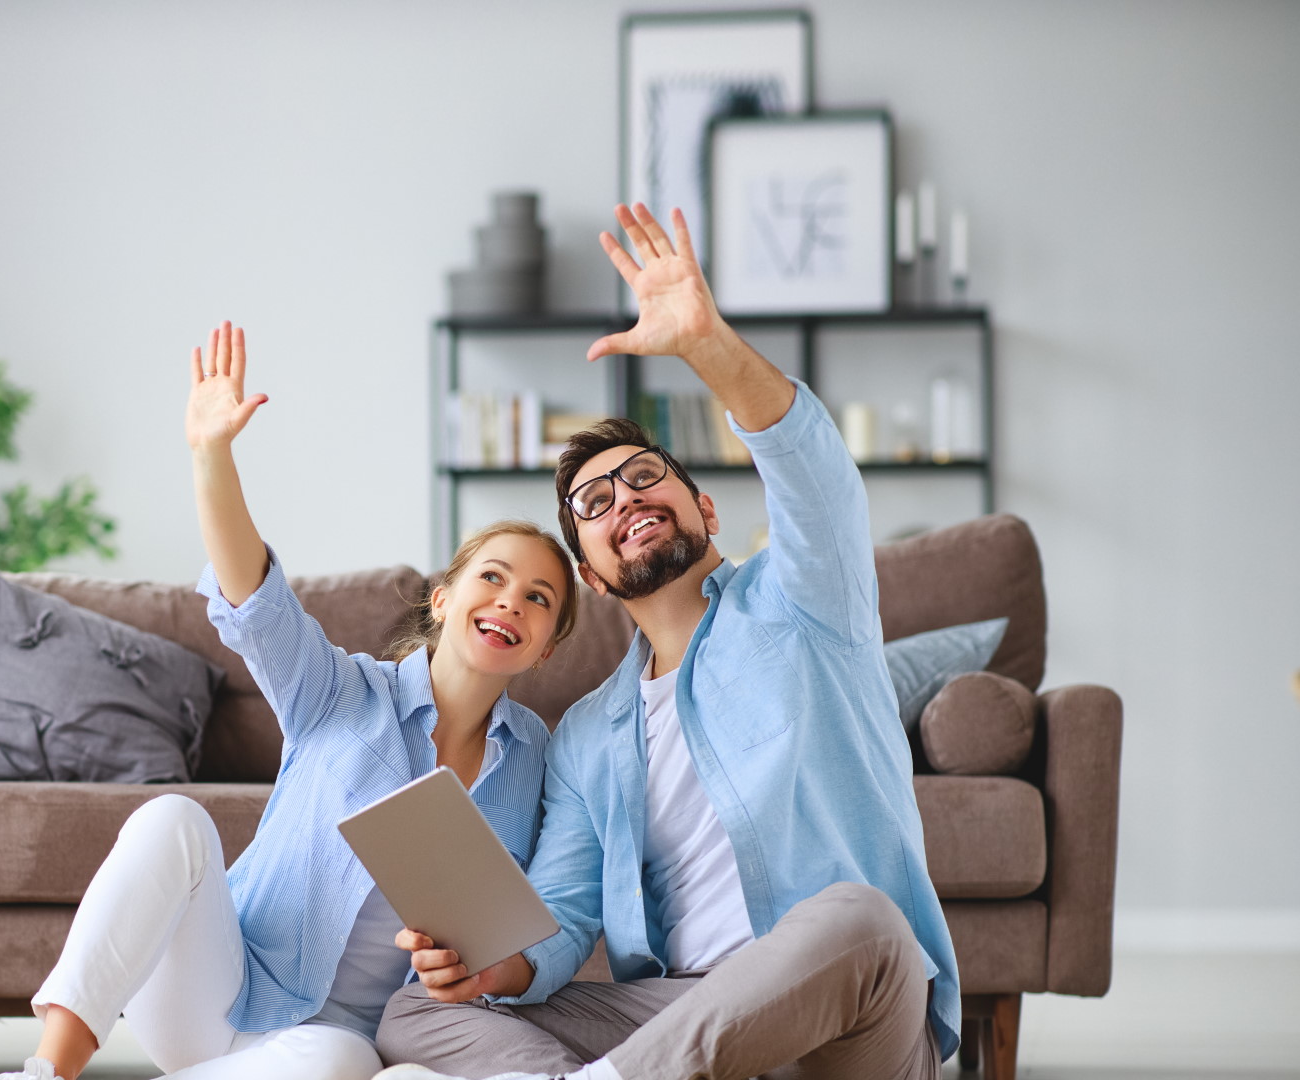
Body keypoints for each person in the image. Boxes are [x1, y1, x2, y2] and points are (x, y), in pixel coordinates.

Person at [372, 204, 960, 1080]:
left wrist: (706, 345)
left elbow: (815, 474)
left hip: (841, 1020)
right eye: (595, 506)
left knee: (863, 921)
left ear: (706, 510)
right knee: (418, 1010)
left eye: (645, 477)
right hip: (687, 1024)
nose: (627, 501)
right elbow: (564, 916)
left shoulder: (804, 598)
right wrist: (497, 968)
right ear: (595, 578)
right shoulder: (587, 734)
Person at [0, 321, 580, 1080]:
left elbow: (536, 918)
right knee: (174, 819)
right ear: (441, 599)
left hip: (339, 1042)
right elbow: (254, 599)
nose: (510, 603)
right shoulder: (341, 691)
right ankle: (45, 1073)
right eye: (491, 578)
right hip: (222, 988)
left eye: (537, 598)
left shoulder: (536, 762)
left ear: (548, 646)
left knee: (344, 1064)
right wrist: (211, 455)